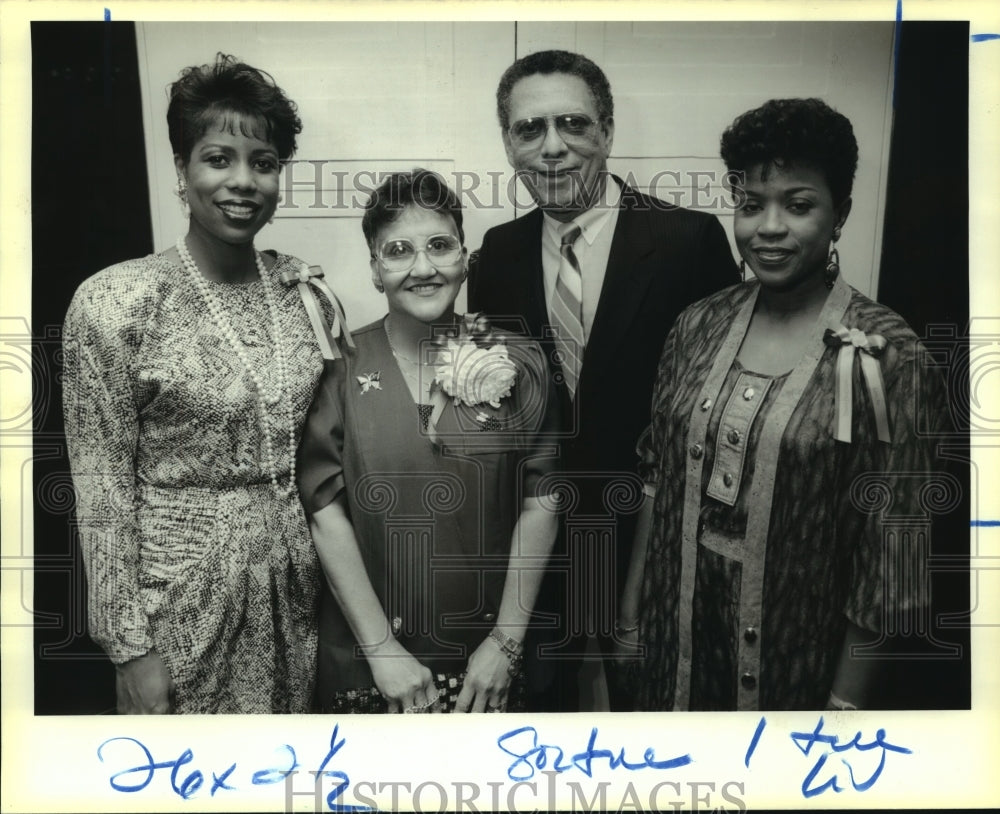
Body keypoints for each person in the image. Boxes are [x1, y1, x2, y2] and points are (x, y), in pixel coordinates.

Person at [618, 97, 950, 710]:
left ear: (839, 213)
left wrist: (844, 708)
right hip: (676, 647)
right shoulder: (698, 323)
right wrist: (631, 622)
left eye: (798, 205)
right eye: (750, 205)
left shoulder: (886, 355)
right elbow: (657, 480)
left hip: (796, 665)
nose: (768, 228)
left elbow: (893, 553)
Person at [466, 49, 739, 711]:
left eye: (573, 125)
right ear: (508, 143)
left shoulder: (689, 240)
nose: (553, 148)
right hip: (536, 549)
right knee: (535, 729)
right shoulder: (497, 254)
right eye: (529, 129)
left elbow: (736, 384)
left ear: (607, 132)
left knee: (657, 730)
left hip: (653, 543)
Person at [62, 54, 335, 713]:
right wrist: (129, 648)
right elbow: (100, 494)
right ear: (182, 171)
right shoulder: (117, 304)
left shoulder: (306, 298)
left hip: (292, 597)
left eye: (263, 163)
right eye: (219, 158)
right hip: (178, 607)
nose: (243, 181)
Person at [297, 170, 560, 714]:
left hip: (486, 658)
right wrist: (381, 650)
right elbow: (324, 511)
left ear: (464, 257)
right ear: (375, 270)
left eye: (439, 246)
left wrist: (505, 644)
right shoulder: (338, 370)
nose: (423, 268)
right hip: (374, 661)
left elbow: (544, 500)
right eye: (398, 251)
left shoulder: (520, 359)